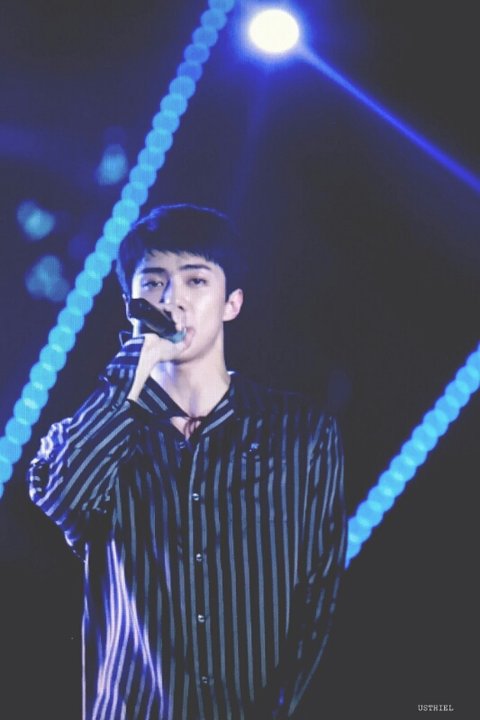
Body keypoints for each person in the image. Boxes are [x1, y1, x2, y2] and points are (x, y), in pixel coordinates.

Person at [28, 204, 346, 720]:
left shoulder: (299, 432)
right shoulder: (104, 432)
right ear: (130, 303)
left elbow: (322, 596)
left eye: (195, 280)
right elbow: (60, 493)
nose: (171, 299)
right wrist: (135, 364)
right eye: (153, 282)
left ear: (231, 303)